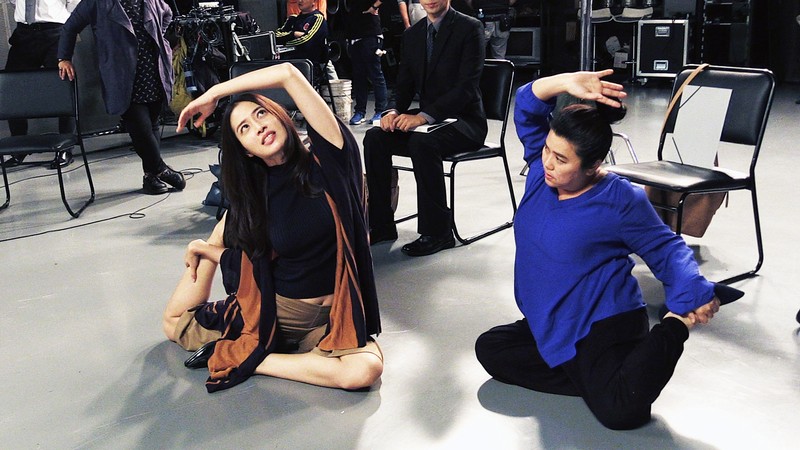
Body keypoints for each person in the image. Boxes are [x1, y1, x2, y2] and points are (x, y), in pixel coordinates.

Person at [474, 69, 739, 430]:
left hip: (601, 324)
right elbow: (526, 103)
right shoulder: (540, 173)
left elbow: (666, 248)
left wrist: (691, 296)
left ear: (593, 165)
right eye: (548, 149)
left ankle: (673, 328)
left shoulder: (620, 199)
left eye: (561, 159)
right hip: (551, 319)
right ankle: (596, 382)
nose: (548, 162)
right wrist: (565, 83)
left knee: (621, 413)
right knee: (490, 349)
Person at [163, 63, 383, 392]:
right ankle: (209, 246)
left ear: (279, 115)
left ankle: (254, 359)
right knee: (173, 324)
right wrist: (207, 251)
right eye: (245, 128)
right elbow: (256, 264)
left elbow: (288, 74)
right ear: (245, 151)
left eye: (261, 114)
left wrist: (215, 93)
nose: (258, 127)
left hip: (335, 313)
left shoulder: (332, 160)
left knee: (363, 371)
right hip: (277, 310)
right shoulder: (256, 195)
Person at [363, 0, 486, 256]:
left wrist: (423, 116)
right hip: (431, 122)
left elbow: (466, 87)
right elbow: (404, 84)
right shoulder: (413, 34)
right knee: (375, 138)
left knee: (423, 142)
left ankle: (438, 232)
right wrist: (392, 111)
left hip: (465, 122)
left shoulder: (470, 28)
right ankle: (381, 224)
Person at [57, 0, 186, 195]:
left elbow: (167, 13)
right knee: (140, 128)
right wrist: (64, 58)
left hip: (152, 69)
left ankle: (150, 177)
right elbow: (70, 26)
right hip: (121, 75)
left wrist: (160, 37)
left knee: (152, 126)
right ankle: (160, 169)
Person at [3, 0, 78, 169]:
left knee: (63, 90)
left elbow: (73, 2)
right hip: (24, 33)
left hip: (55, 32)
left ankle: (65, 150)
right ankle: (18, 149)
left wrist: (62, 19)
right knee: (12, 89)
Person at [345, 0, 388, 125]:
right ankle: (360, 111)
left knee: (375, 74)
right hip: (354, 34)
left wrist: (374, 6)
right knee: (359, 76)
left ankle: (381, 111)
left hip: (370, 33)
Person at [275, 0, 329, 68]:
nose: (300, 1)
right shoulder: (293, 19)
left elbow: (307, 42)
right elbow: (276, 36)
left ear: (314, 1)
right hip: (289, 63)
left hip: (309, 65)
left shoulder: (317, 19)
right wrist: (293, 34)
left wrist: (285, 44)